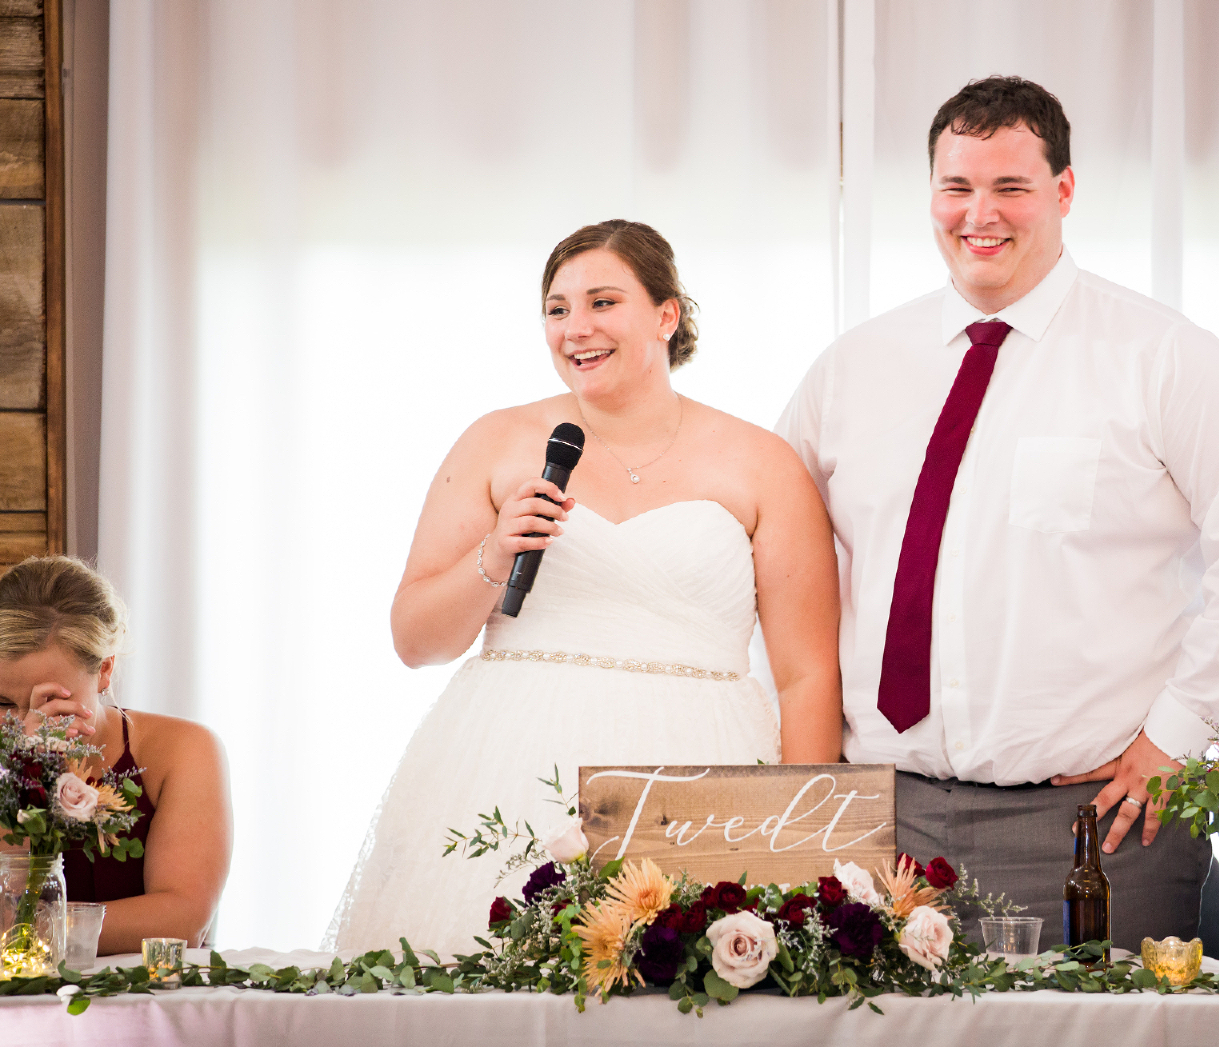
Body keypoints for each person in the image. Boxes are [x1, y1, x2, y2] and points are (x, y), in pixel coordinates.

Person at [778, 76, 1219, 950]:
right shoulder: (850, 369)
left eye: (1010, 188)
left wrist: (1175, 736)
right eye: (956, 187)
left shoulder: (1162, 357)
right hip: (883, 820)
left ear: (1063, 192)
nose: (977, 213)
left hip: (1095, 823)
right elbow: (775, 557)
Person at [330, 219, 842, 956]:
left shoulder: (762, 463)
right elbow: (415, 639)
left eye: (603, 301)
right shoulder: (498, 440)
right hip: (511, 764)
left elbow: (806, 674)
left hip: (700, 776)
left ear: (667, 314)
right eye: (558, 308)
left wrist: (803, 842)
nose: (577, 328)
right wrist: (494, 551)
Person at [0, 556, 232, 954]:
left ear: (105, 670)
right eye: (2, 702)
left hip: (151, 1001)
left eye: (52, 700)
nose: (24, 724)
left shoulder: (184, 750)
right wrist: (25, 772)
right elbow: (8, 907)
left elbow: (182, 920)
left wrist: (33, 930)